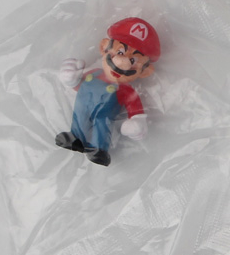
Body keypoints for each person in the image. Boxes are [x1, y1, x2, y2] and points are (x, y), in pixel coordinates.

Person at [55, 17, 161, 167]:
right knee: (80, 115)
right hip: (82, 104)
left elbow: (135, 108)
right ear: (104, 47)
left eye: (132, 61)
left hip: (105, 113)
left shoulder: (126, 90)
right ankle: (76, 137)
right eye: (120, 52)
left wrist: (137, 122)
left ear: (145, 72)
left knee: (101, 124)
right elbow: (78, 85)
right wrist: (71, 79)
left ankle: (99, 149)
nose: (122, 62)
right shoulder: (94, 73)